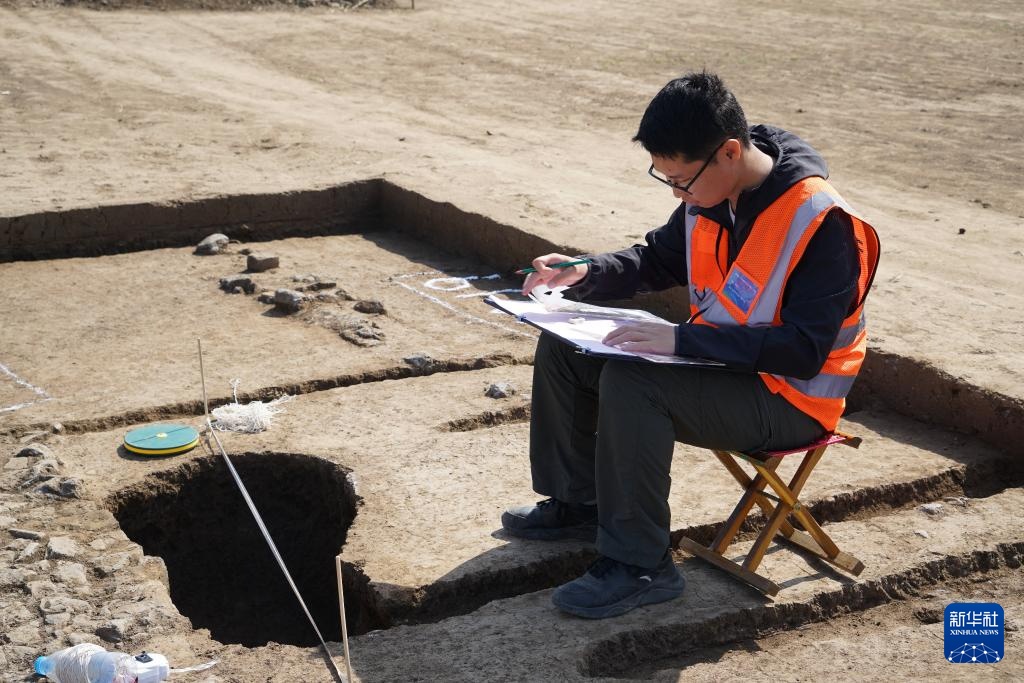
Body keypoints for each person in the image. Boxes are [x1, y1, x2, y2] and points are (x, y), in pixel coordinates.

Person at [501, 71, 880, 619]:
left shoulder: (822, 222)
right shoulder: (713, 190)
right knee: (566, 347)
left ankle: (640, 566)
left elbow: (803, 351)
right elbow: (657, 258)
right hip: (722, 369)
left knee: (635, 383)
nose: (678, 194)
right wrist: (583, 272)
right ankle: (578, 501)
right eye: (666, 179)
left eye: (681, 180)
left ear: (729, 152)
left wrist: (680, 339)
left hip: (790, 399)